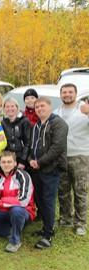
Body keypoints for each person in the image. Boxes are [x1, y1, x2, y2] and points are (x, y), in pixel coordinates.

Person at [28, 96, 68, 249]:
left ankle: (48, 235)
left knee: (48, 201)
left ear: (50, 106)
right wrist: (32, 159)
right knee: (39, 200)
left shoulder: (58, 123)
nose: (39, 109)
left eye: (42, 106)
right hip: (37, 169)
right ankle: (45, 227)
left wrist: (39, 162)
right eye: (37, 107)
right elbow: (33, 145)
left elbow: (57, 148)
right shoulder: (37, 125)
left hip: (51, 169)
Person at [0, 151, 35, 253]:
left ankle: (15, 241)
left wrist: (0, 203)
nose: (6, 164)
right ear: (0, 164)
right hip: (4, 211)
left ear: (15, 163)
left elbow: (23, 201)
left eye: (9, 162)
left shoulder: (23, 176)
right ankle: (12, 230)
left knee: (16, 210)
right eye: (3, 162)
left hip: (24, 211)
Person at [53, 83, 89, 236]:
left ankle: (80, 223)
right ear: (60, 94)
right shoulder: (57, 111)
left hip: (80, 155)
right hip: (61, 156)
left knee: (80, 190)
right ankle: (65, 217)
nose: (67, 95)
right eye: (64, 92)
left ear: (75, 93)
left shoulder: (84, 109)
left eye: (70, 92)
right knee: (63, 189)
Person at [1, 98, 31, 169]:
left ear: (16, 107)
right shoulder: (3, 122)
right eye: (7, 107)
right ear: (4, 108)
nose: (10, 109)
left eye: (12, 106)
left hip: (21, 157)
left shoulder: (24, 121)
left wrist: (23, 161)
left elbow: (28, 141)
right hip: (8, 159)